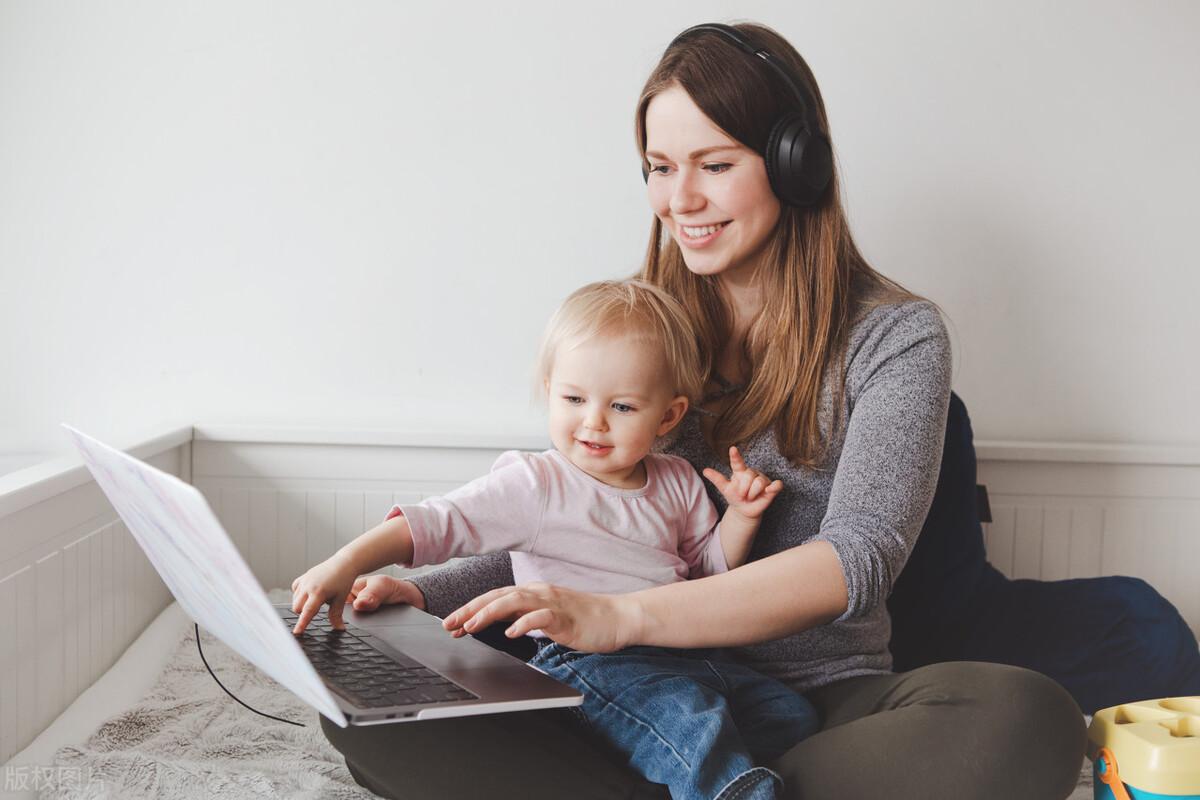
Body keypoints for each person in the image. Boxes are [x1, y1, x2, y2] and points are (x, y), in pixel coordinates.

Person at [318, 22, 1087, 800]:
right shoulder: (641, 326)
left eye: (713, 166)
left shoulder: (896, 336)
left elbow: (858, 556)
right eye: (659, 167)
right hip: (623, 684)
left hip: (812, 701)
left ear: (796, 166)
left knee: (1029, 716)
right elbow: (561, 512)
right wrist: (422, 592)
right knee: (370, 705)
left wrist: (624, 618)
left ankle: (718, 780)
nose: (679, 200)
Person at [293, 280, 820, 800]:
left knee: (791, 716)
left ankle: (660, 767)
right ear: (549, 390)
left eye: (622, 408)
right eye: (574, 398)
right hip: (592, 662)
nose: (592, 422)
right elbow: (437, 522)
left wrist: (742, 519)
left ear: (669, 415)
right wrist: (347, 560)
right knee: (688, 721)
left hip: (690, 651)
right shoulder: (536, 483)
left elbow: (707, 573)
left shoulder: (679, 479)